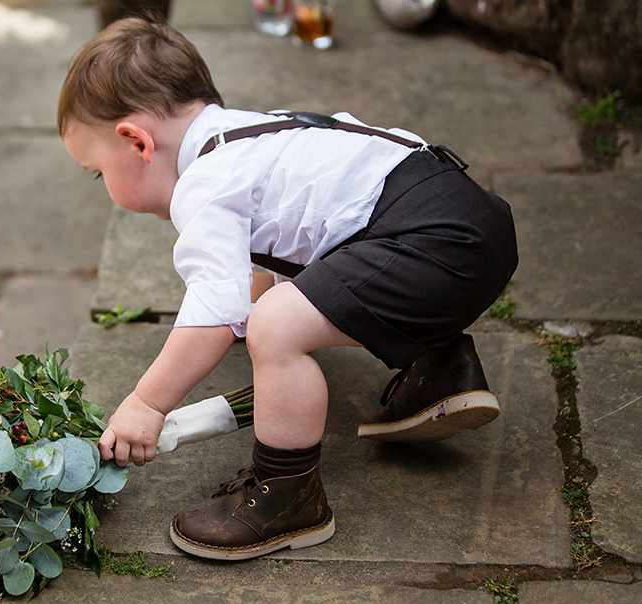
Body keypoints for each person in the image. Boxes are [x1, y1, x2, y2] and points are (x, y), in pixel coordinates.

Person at [58, 17, 518, 560]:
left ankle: (286, 496)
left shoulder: (205, 184)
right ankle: (444, 366)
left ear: (135, 141)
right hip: (467, 220)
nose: (103, 186)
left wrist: (146, 404)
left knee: (276, 326)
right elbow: (290, 245)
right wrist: (247, 306)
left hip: (433, 246)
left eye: (97, 171)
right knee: (305, 283)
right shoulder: (260, 133)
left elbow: (213, 308)